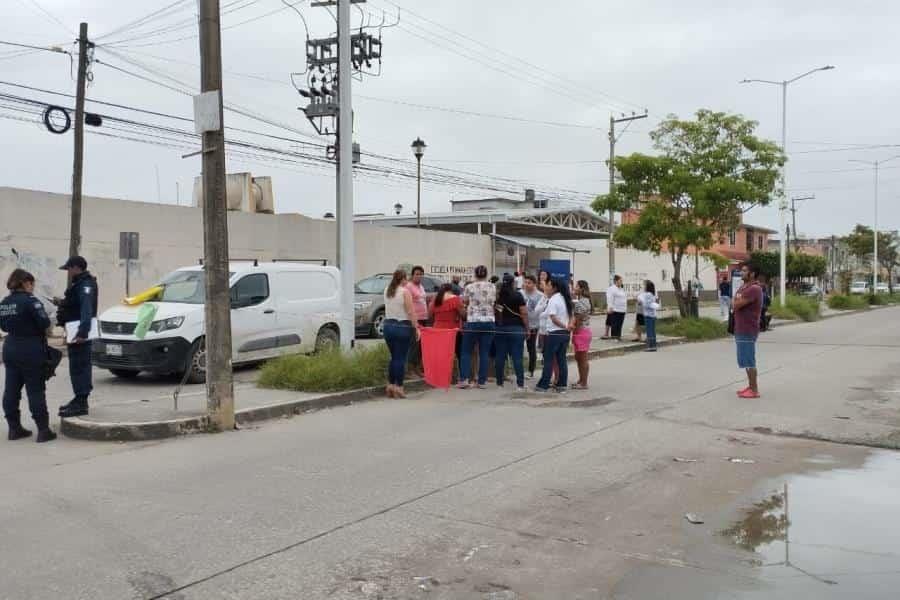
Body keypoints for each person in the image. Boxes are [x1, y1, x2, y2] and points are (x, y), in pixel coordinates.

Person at [1, 269, 56, 442]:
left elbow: (3, 327)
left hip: (10, 347)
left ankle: (14, 428)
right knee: (35, 390)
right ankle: (43, 430)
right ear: (25, 283)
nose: (33, 287)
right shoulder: (31, 301)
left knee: (11, 389)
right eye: (32, 284)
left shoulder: (5, 302)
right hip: (31, 348)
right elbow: (44, 322)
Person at [54, 255, 98, 418]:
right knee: (76, 366)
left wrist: (82, 332)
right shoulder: (79, 284)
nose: (68, 272)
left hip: (79, 333)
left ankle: (81, 402)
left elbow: (86, 308)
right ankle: (79, 398)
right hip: (74, 330)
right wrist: (62, 303)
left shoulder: (85, 284)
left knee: (80, 367)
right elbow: (76, 305)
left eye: (69, 269)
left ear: (76, 267)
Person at [383, 270, 420, 398]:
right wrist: (416, 328)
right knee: (400, 358)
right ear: (403, 279)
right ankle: (399, 386)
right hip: (402, 326)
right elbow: (410, 312)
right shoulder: (405, 292)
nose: (407, 281)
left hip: (388, 326)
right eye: (406, 279)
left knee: (394, 357)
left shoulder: (387, 290)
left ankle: (390, 385)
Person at [459, 265, 496, 389]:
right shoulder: (492, 286)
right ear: (486, 275)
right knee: (484, 352)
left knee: (466, 351)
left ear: (475, 274)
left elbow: (464, 301)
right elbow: (493, 301)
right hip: (489, 321)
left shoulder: (469, 287)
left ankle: (464, 379)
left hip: (473, 320)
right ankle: (481, 381)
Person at [535, 277, 573, 393]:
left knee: (549, 360)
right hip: (564, 335)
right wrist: (567, 327)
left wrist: (564, 326)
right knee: (561, 359)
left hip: (555, 333)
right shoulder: (564, 299)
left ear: (554, 288)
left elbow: (553, 317)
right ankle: (562, 384)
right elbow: (545, 314)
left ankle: (543, 385)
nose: (546, 287)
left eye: (548, 285)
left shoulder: (554, 299)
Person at [733, 264, 763, 399]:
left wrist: (736, 301)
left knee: (749, 360)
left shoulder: (754, 289)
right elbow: (735, 301)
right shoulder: (743, 287)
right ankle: (750, 386)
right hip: (740, 327)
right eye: (742, 270)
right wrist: (736, 300)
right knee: (744, 360)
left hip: (748, 328)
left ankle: (754, 389)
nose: (741, 273)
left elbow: (736, 304)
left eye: (745, 271)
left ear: (752, 274)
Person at [494, 274, 528, 391]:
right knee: (517, 357)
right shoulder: (518, 295)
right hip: (516, 328)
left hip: (501, 329)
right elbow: (524, 313)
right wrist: (527, 328)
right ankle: (520, 385)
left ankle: (499, 383)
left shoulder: (499, 297)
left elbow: (498, 314)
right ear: (513, 283)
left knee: (500, 356)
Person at [430, 283, 465, 373]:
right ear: (451, 289)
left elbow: (429, 315)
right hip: (453, 330)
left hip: (437, 329)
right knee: (459, 352)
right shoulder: (455, 299)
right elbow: (463, 315)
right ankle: (461, 377)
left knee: (440, 353)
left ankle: (440, 374)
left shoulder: (435, 299)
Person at [405, 266, 429, 376]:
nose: (419, 276)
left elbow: (422, 299)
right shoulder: (409, 286)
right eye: (417, 274)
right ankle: (410, 369)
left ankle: (417, 368)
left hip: (423, 318)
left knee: (421, 345)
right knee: (414, 344)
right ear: (412, 275)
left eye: (421, 274)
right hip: (415, 319)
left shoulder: (421, 286)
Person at [571, 280, 593, 389]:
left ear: (581, 289)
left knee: (582, 358)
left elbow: (578, 321)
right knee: (579, 358)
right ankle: (581, 380)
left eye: (576, 286)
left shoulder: (581, 303)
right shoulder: (585, 300)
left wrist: (574, 333)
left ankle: (584, 383)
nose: (575, 288)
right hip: (584, 332)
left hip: (581, 332)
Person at [522, 275, 544, 379]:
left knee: (531, 348)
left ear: (534, 284)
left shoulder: (540, 295)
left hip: (534, 325)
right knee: (519, 348)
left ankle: (531, 371)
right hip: (521, 324)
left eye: (529, 283)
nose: (526, 284)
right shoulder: (520, 293)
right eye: (525, 282)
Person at [637, 280, 660, 352]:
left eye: (645, 286)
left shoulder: (647, 294)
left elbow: (647, 305)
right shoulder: (652, 294)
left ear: (648, 287)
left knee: (649, 331)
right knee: (652, 331)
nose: (644, 287)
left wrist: (641, 301)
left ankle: (650, 347)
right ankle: (654, 346)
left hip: (648, 315)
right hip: (653, 315)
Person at [604, 275, 627, 340]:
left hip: (622, 309)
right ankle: (614, 337)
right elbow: (609, 299)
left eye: (622, 281)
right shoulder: (611, 289)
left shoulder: (621, 289)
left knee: (620, 324)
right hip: (615, 309)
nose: (621, 282)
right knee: (615, 324)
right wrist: (610, 307)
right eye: (620, 281)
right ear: (616, 281)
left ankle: (618, 336)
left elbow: (624, 298)